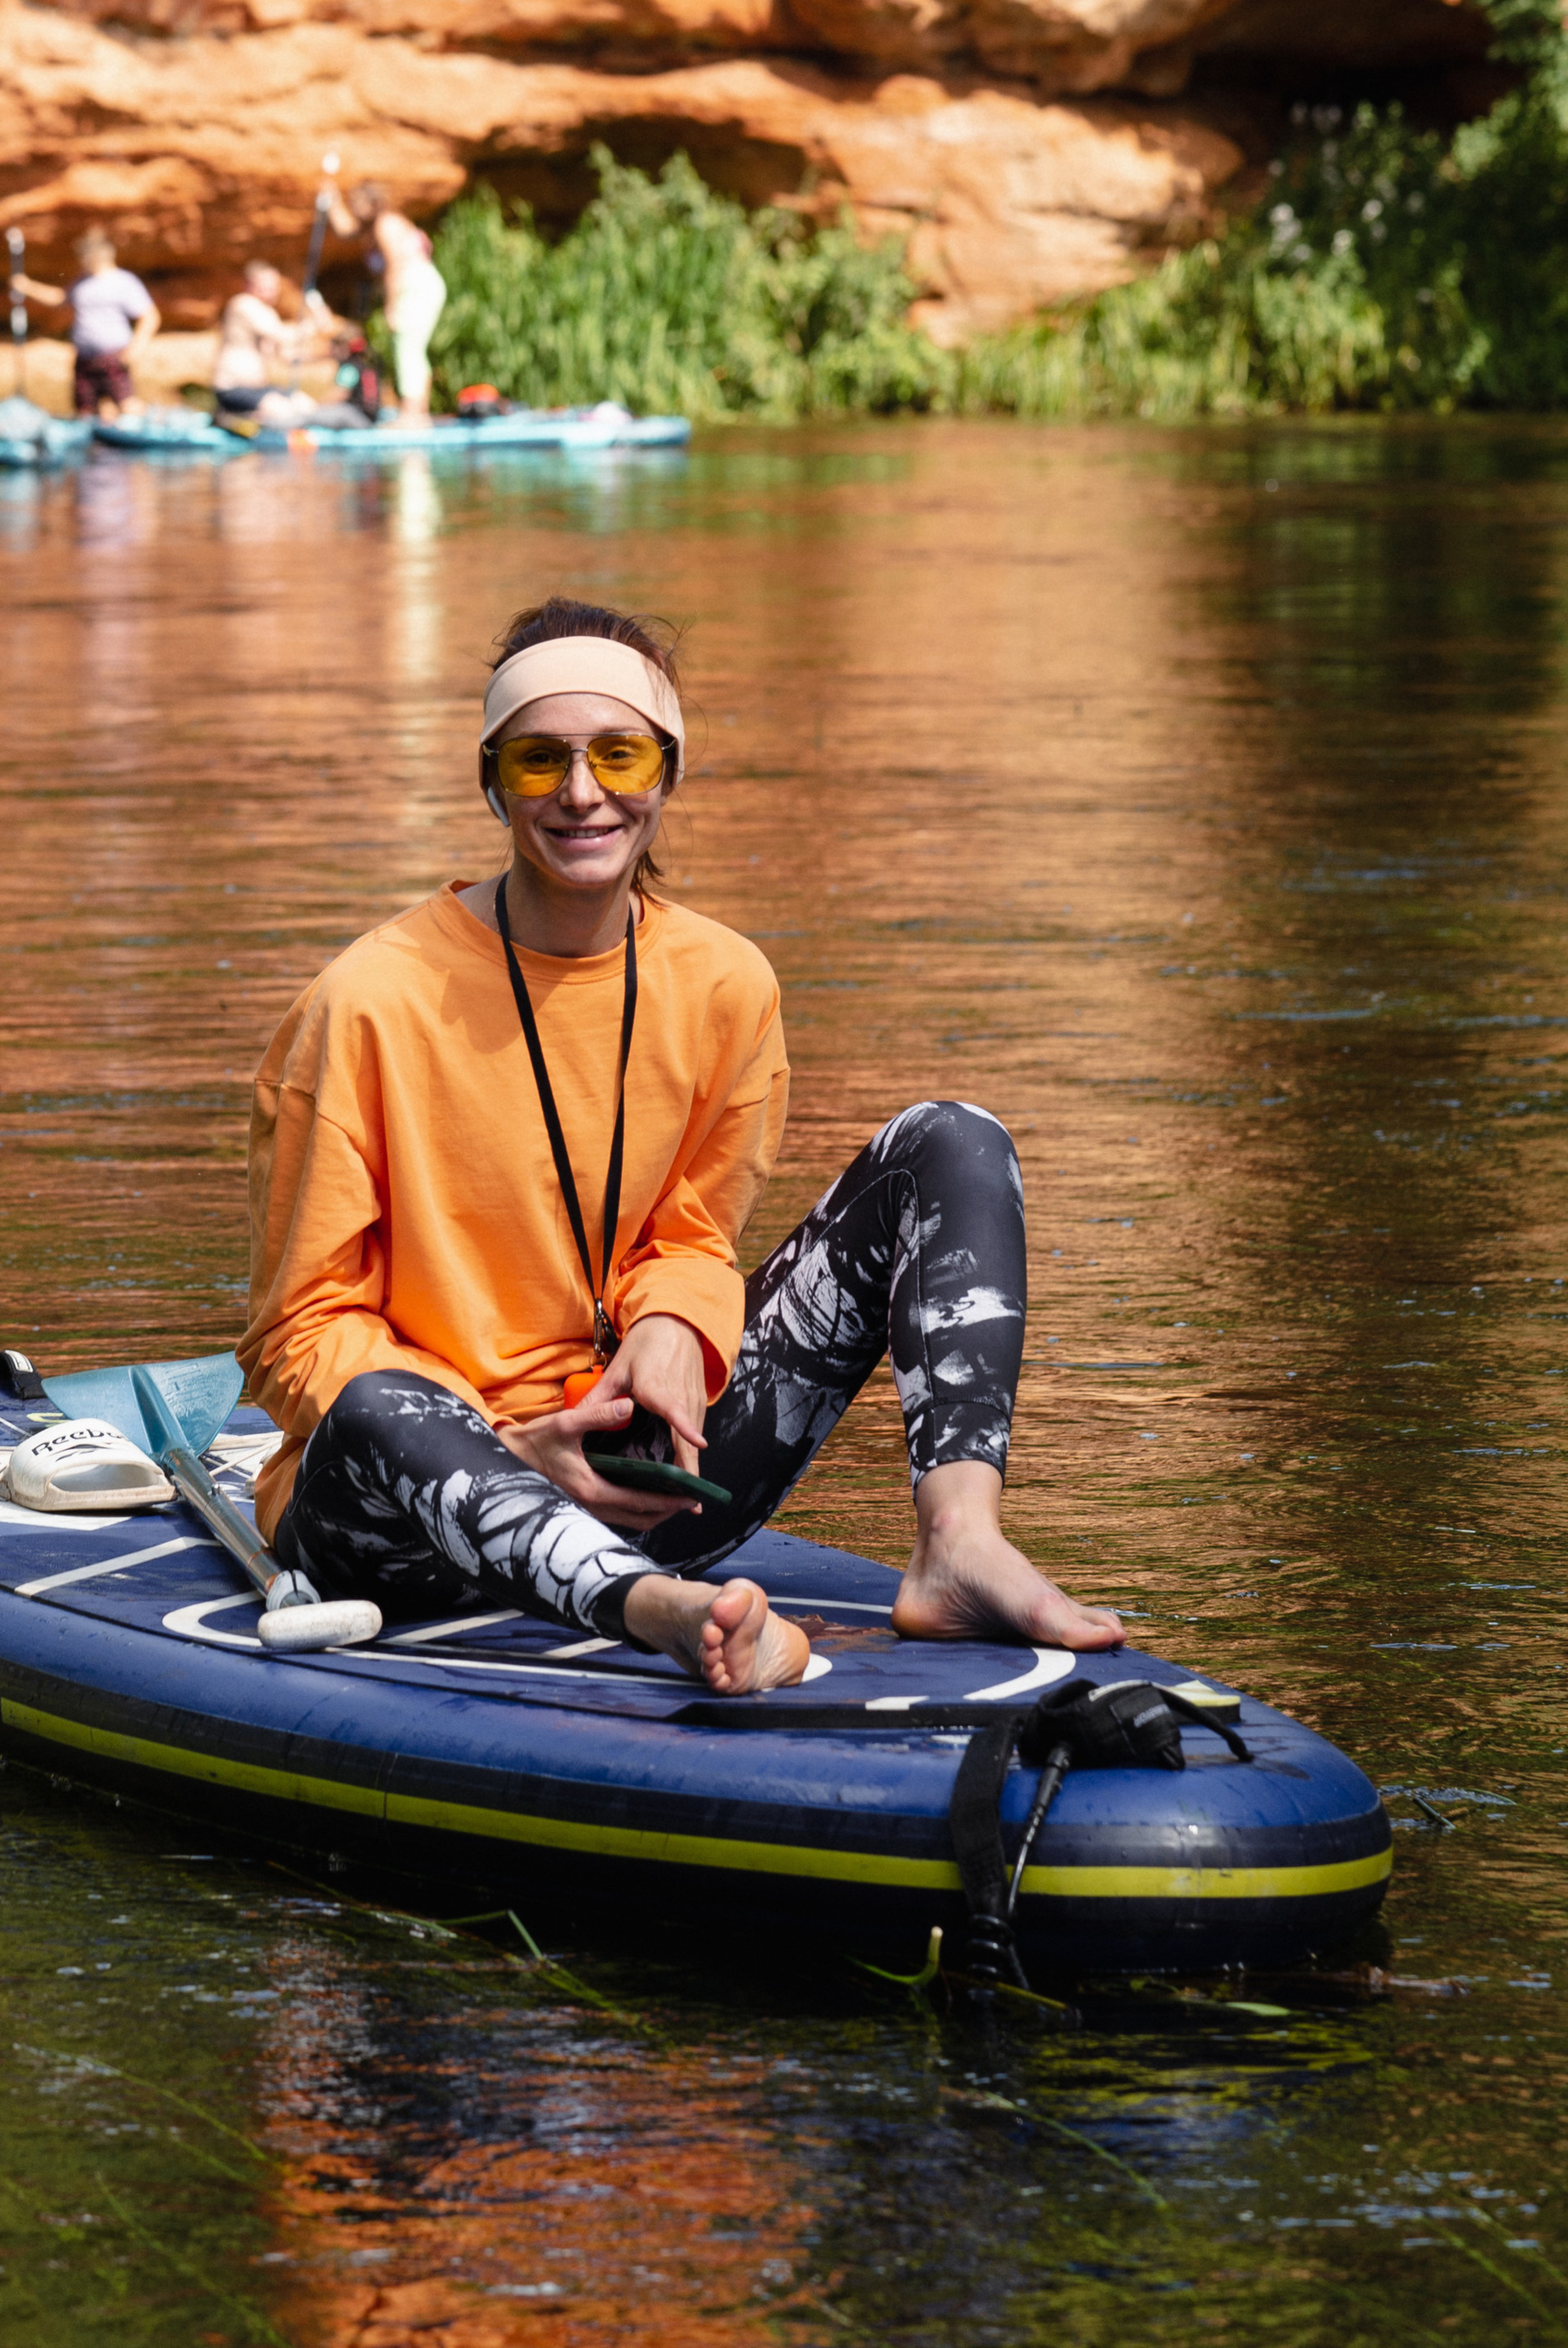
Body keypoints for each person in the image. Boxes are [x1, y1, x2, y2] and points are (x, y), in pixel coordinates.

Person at [241, 596, 1123, 1698]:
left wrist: (670, 1324)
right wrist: (510, 1449)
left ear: (666, 771)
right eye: (538, 760)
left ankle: (959, 1543)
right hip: (408, 1528)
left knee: (949, 1144)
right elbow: (295, 1333)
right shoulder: (363, 1004)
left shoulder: (726, 984)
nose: (580, 793)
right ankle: (665, 1618)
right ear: (489, 776)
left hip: (643, 1487)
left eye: (617, 755)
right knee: (375, 1407)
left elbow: (690, 1235)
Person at [11, 230, 159, 419]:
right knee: (85, 411)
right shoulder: (81, 282)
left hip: (114, 357)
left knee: (126, 405)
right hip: (85, 359)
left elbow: (149, 316)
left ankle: (152, 428)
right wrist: (27, 287)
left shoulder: (124, 282)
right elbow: (61, 299)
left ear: (95, 256)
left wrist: (136, 348)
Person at [340, 182, 447, 424]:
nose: (354, 208)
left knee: (406, 347)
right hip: (421, 285)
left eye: (357, 203)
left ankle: (411, 415)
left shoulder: (385, 224)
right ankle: (419, 414)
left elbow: (394, 267)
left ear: (373, 202)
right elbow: (346, 231)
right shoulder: (375, 225)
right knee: (413, 349)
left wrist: (391, 306)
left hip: (415, 287)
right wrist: (332, 199)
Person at [214, 260, 300, 417]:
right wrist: (310, 326)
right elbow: (280, 334)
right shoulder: (243, 304)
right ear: (248, 284)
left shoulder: (268, 313)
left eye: (273, 284)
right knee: (283, 411)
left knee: (303, 404)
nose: (270, 289)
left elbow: (286, 354)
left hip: (258, 388)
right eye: (263, 284)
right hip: (233, 388)